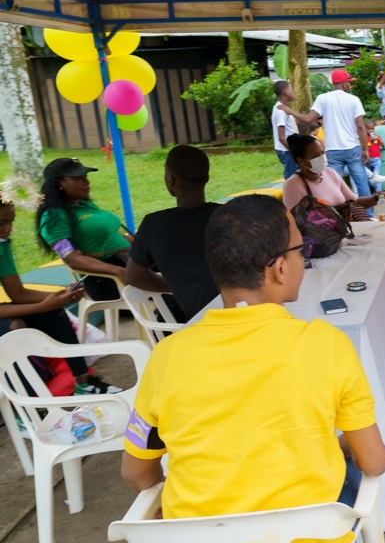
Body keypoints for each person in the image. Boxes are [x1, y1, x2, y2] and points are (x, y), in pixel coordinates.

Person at [120, 194, 385, 543]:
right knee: (349, 469)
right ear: (280, 268)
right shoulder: (328, 345)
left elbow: (136, 474)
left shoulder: (166, 357)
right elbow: (375, 461)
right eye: (303, 248)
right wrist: (339, 446)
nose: (303, 258)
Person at [0, 201, 118, 395]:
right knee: (14, 327)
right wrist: (42, 306)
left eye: (10, 222)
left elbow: (18, 293)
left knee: (55, 310)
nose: (8, 229)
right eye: (1, 223)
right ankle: (29, 406)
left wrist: (61, 296)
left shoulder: (2, 245)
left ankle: (84, 382)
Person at [125, 146, 220, 322]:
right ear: (206, 179)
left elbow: (133, 276)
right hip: (244, 314)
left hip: (196, 325)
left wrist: (177, 286)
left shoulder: (153, 225)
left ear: (170, 180)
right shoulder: (230, 216)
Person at [37, 158, 133, 302]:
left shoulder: (85, 205)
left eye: (85, 176)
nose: (86, 182)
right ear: (58, 183)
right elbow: (73, 260)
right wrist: (116, 270)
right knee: (173, 292)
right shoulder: (54, 218)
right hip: (108, 280)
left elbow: (111, 235)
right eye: (77, 178)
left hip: (129, 263)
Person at [279, 70, 371, 203]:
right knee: (362, 183)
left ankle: (337, 213)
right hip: (353, 148)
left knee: (331, 186)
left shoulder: (323, 98)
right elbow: (361, 126)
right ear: (344, 84)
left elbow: (309, 119)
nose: (350, 86)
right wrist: (366, 149)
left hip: (331, 150)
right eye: (349, 83)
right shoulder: (354, 100)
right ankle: (367, 216)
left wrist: (290, 111)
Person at [282, 133, 385, 211]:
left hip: (346, 232)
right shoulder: (293, 186)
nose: (322, 157)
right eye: (315, 156)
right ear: (301, 161)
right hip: (323, 242)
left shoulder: (330, 173)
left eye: (322, 153)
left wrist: (380, 198)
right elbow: (295, 223)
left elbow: (355, 201)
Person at [271, 81, 298, 179]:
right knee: (292, 178)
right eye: (291, 90)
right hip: (286, 151)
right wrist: (293, 151)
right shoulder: (281, 111)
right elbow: (281, 138)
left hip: (288, 150)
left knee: (296, 177)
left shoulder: (284, 108)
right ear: (286, 92)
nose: (293, 92)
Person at [364, 120, 385, 193]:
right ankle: (372, 187)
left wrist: (379, 140)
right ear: (365, 129)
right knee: (370, 176)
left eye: (372, 129)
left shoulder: (377, 137)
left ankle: (379, 190)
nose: (371, 131)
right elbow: (363, 148)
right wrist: (370, 142)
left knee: (377, 175)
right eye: (369, 129)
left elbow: (384, 146)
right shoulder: (365, 139)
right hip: (369, 160)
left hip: (377, 159)